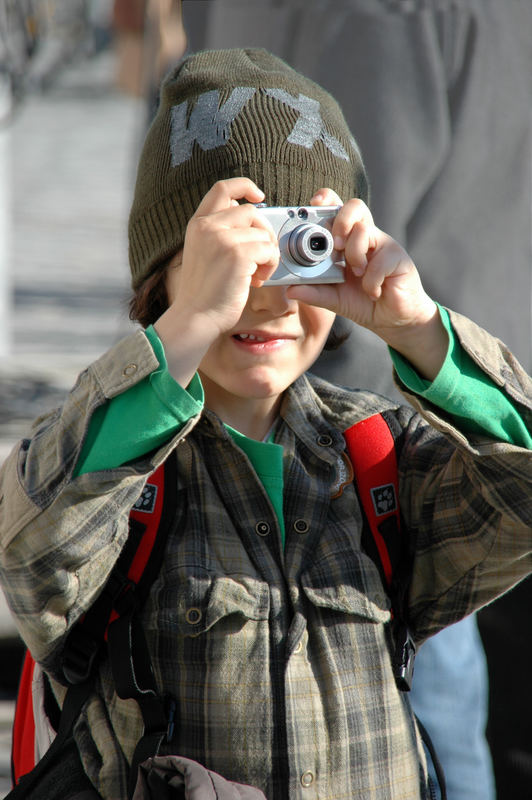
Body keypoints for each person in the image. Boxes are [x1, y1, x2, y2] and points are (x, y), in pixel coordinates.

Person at [0, 48, 531, 800]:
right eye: (230, 256)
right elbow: (32, 550)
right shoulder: (122, 474)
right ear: (162, 277)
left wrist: (423, 330)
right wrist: (186, 329)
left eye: (296, 253)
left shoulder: (378, 463)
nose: (267, 299)